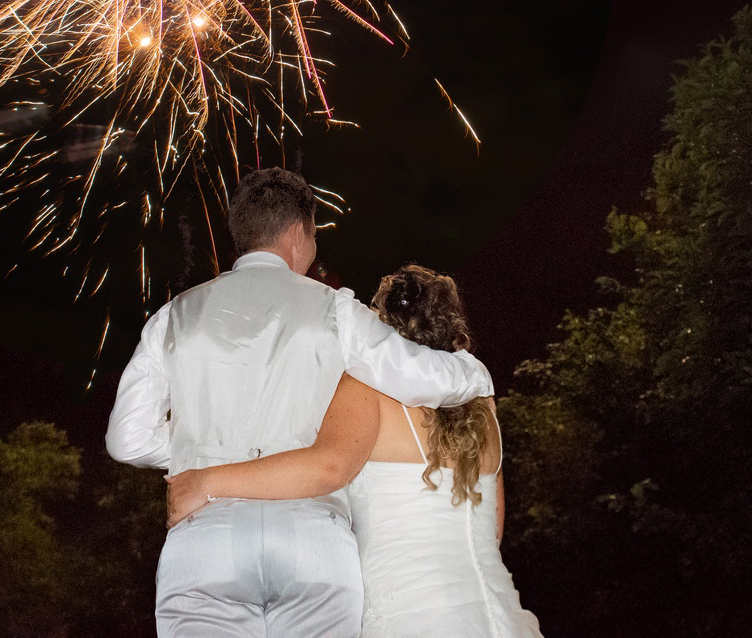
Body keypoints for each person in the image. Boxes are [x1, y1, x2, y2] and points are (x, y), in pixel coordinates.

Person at [105, 169, 495, 638]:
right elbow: (424, 379)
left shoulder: (172, 317)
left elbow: (126, 439)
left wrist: (203, 443)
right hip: (313, 540)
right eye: (314, 236)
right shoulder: (337, 312)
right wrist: (474, 372)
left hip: (205, 539)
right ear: (297, 232)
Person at [166, 265, 544, 638]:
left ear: (381, 328)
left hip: (410, 619)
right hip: (503, 617)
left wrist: (206, 481)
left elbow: (326, 467)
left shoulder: (369, 387)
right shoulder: (483, 405)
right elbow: (493, 525)